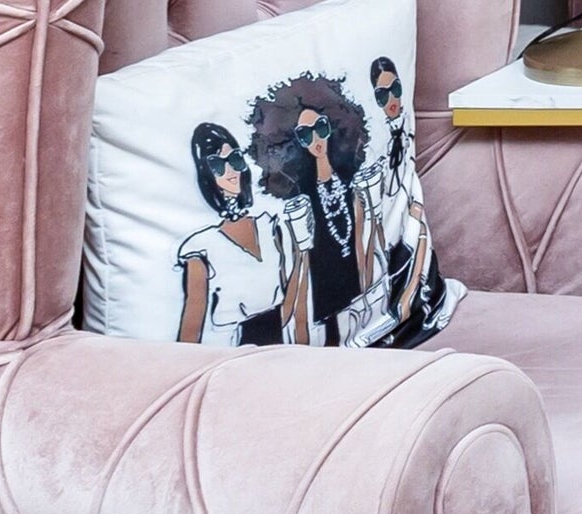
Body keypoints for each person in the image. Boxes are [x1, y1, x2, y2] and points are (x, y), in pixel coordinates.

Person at [252, 73, 376, 347]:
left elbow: (361, 236)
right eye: (304, 134)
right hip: (322, 293)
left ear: (333, 124)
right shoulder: (300, 196)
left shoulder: (349, 180)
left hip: (356, 285)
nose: (315, 138)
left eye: (320, 128)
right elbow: (300, 259)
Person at [174, 121, 297, 346]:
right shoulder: (201, 246)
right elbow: (192, 326)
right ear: (206, 173)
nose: (230, 171)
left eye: (235, 159)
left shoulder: (268, 225)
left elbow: (290, 295)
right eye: (217, 165)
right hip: (229, 351)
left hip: (277, 343)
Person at [361, 54, 444, 341]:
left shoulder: (402, 126)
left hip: (404, 217)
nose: (392, 99)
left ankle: (409, 303)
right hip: (380, 228)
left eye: (396, 89)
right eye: (382, 95)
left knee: (417, 231)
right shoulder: (372, 144)